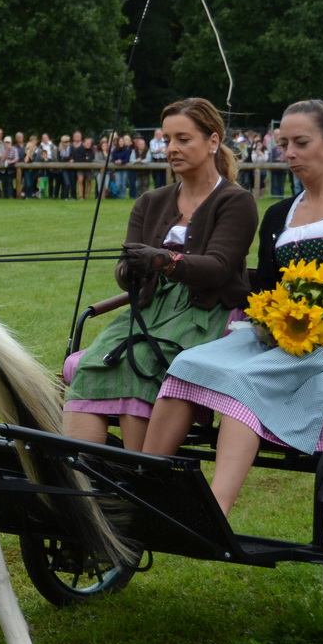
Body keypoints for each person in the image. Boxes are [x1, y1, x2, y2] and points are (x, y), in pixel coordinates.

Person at [142, 99, 323, 513]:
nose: (289, 153)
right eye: (284, 144)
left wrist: (313, 324)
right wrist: (268, 322)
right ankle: (145, 491)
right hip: (280, 332)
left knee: (245, 381)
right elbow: (267, 287)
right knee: (186, 364)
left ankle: (216, 512)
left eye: (301, 143)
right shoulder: (278, 214)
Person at [64, 99, 259, 451]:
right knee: (92, 364)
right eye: (167, 140)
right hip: (149, 308)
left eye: (183, 139)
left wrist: (164, 261)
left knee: (140, 361)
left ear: (213, 142)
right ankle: (82, 473)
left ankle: (141, 472)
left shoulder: (236, 201)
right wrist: (130, 268)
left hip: (207, 310)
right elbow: (126, 275)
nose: (171, 149)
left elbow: (217, 269)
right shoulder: (150, 201)